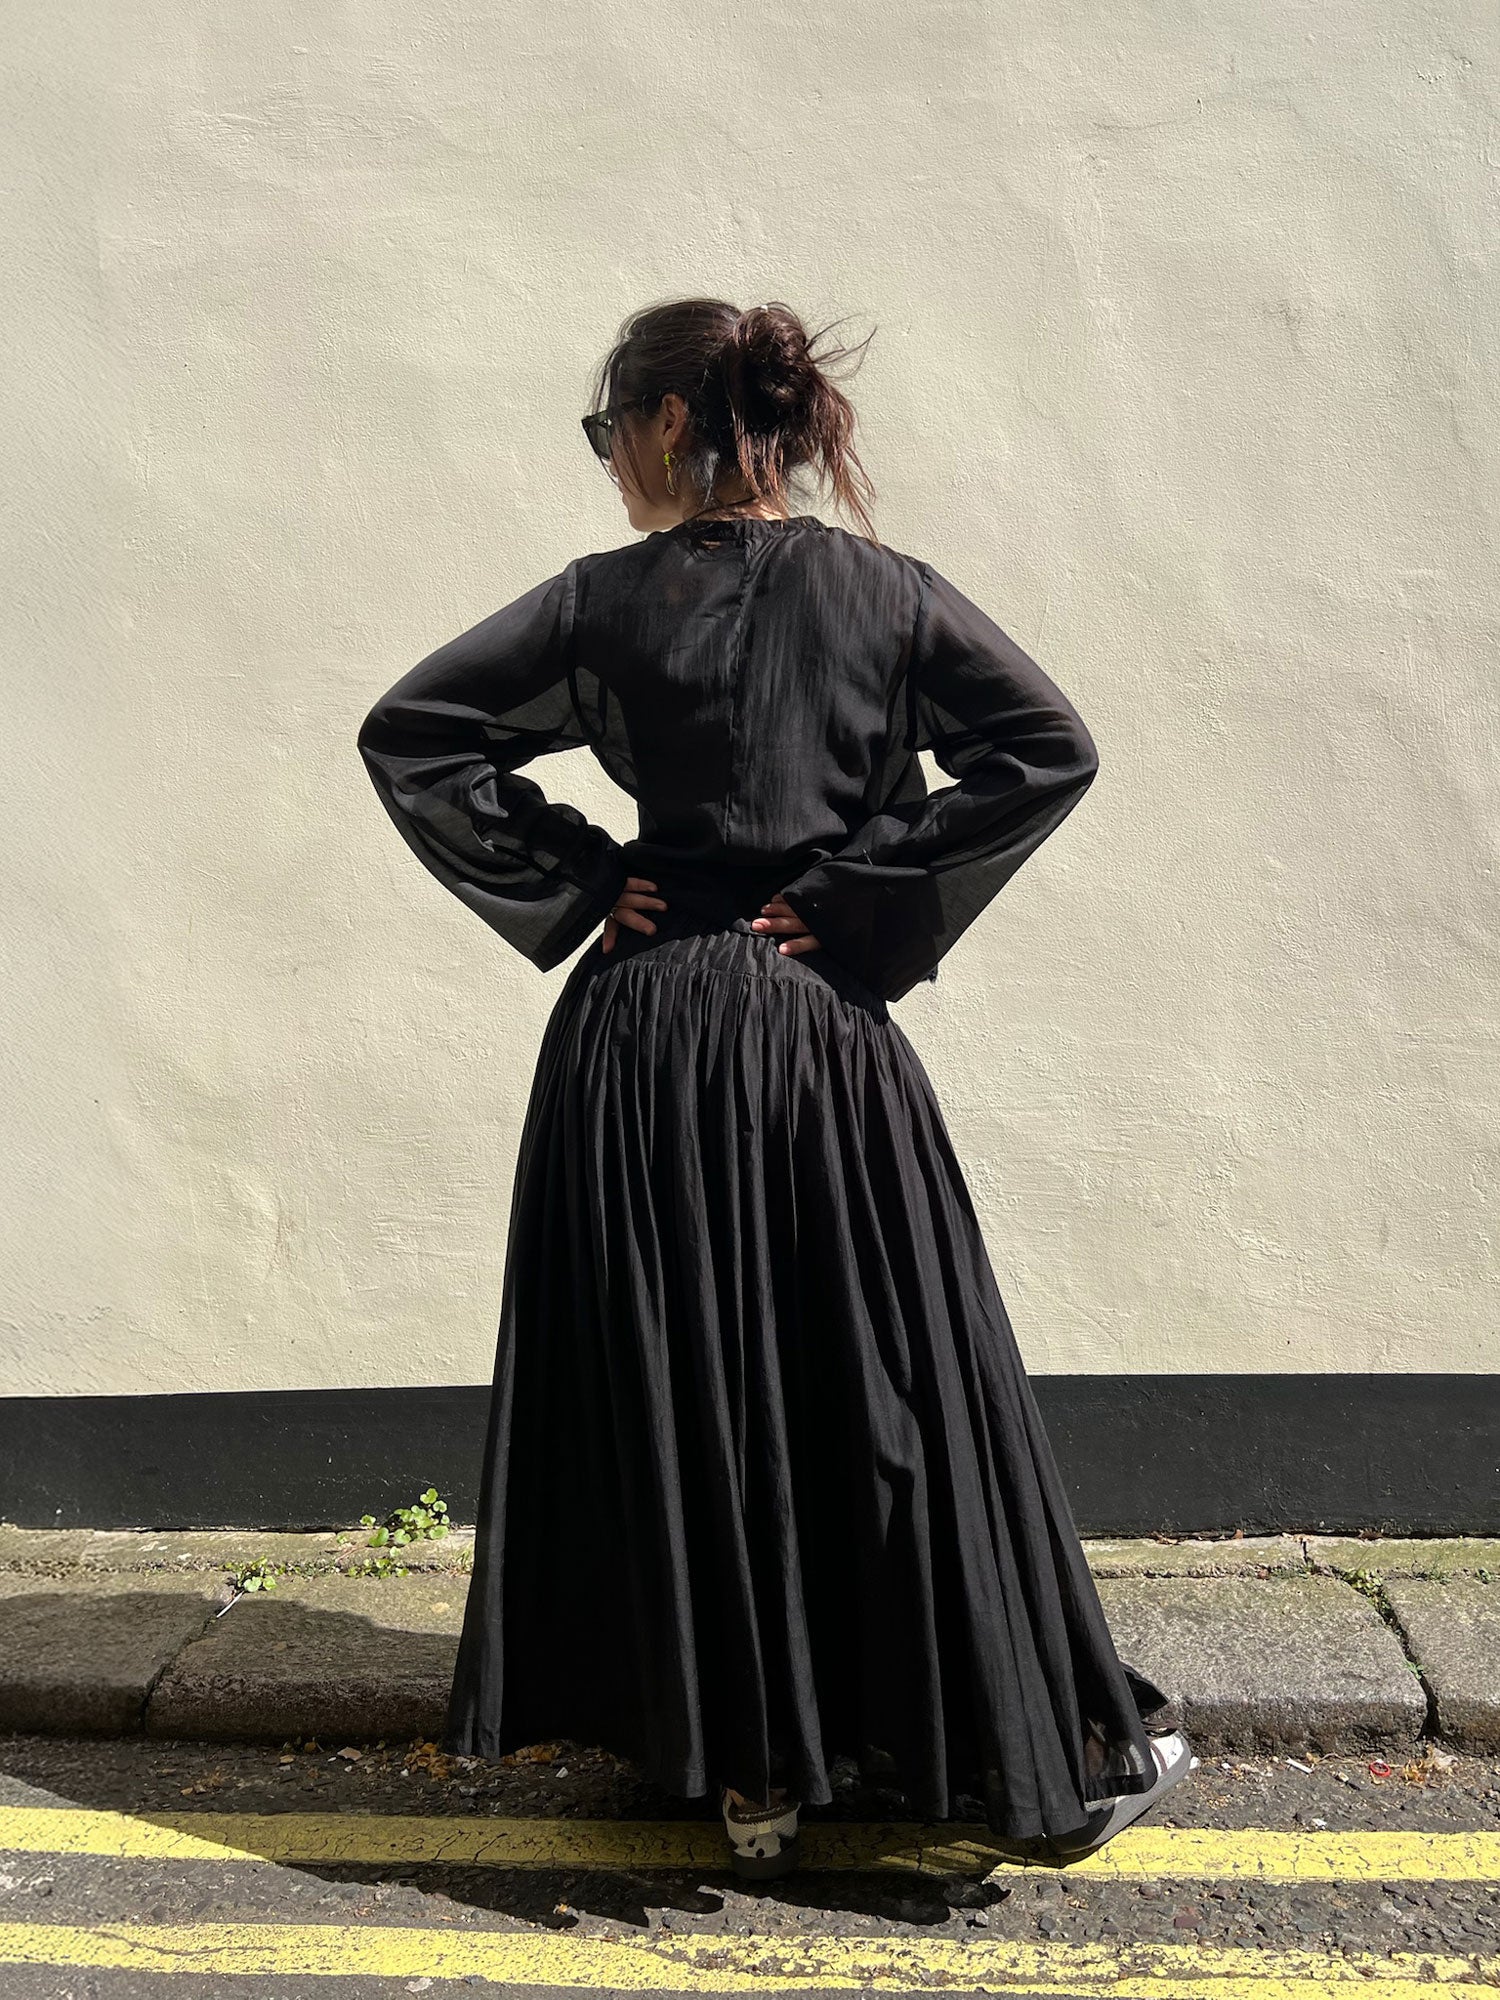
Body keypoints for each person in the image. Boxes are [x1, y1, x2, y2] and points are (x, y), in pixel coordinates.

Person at [356, 296, 1194, 1881]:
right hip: (812, 1034)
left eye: (609, 431)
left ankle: (748, 1777)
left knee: (685, 1385)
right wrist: (862, 899)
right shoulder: (888, 594)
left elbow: (414, 735)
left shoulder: (602, 603)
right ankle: (955, 1736)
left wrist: (583, 878)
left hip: (643, 1041)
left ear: (672, 423)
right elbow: (1045, 749)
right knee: (878, 1383)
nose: (610, 463)